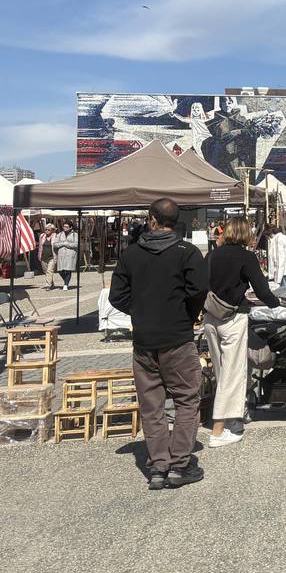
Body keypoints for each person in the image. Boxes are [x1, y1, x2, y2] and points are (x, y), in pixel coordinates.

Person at [108, 198, 208, 489]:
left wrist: (141, 311)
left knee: (152, 405)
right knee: (187, 399)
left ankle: (158, 466)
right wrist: (185, 315)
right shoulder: (187, 252)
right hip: (177, 337)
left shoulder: (131, 254)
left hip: (144, 340)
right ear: (175, 223)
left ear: (151, 219)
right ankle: (179, 464)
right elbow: (199, 289)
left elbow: (117, 296)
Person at [204, 216, 279, 448]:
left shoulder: (212, 254)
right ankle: (221, 428)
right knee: (233, 372)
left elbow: (200, 284)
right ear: (245, 233)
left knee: (220, 369)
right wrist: (275, 303)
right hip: (233, 317)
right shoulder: (246, 257)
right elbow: (262, 290)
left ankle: (227, 417)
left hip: (210, 317)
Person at [53, 220, 78, 291]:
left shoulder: (75, 235)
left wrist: (68, 244)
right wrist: (63, 243)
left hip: (70, 255)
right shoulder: (60, 234)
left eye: (66, 227)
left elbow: (76, 244)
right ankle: (66, 281)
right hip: (61, 255)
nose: (65, 228)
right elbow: (55, 244)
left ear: (70, 227)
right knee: (60, 270)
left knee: (68, 270)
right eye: (64, 226)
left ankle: (66, 285)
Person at [38, 223, 57, 290]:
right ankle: (51, 284)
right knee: (46, 271)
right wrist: (39, 256)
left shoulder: (55, 236)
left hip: (52, 256)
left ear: (52, 230)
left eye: (49, 230)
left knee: (49, 271)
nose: (47, 231)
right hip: (43, 256)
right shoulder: (42, 236)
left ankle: (48, 285)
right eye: (46, 229)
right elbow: (40, 246)